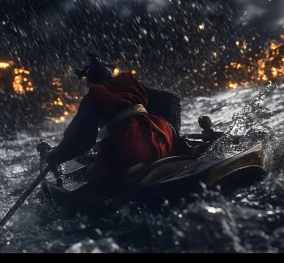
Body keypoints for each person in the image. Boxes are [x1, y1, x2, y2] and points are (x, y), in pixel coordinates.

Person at [44, 51, 191, 192]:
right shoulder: (130, 83)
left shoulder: (95, 94)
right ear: (110, 74)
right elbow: (171, 99)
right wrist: (172, 133)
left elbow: (80, 138)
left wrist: (56, 155)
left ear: (90, 82)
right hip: (162, 133)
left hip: (129, 144)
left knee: (94, 174)